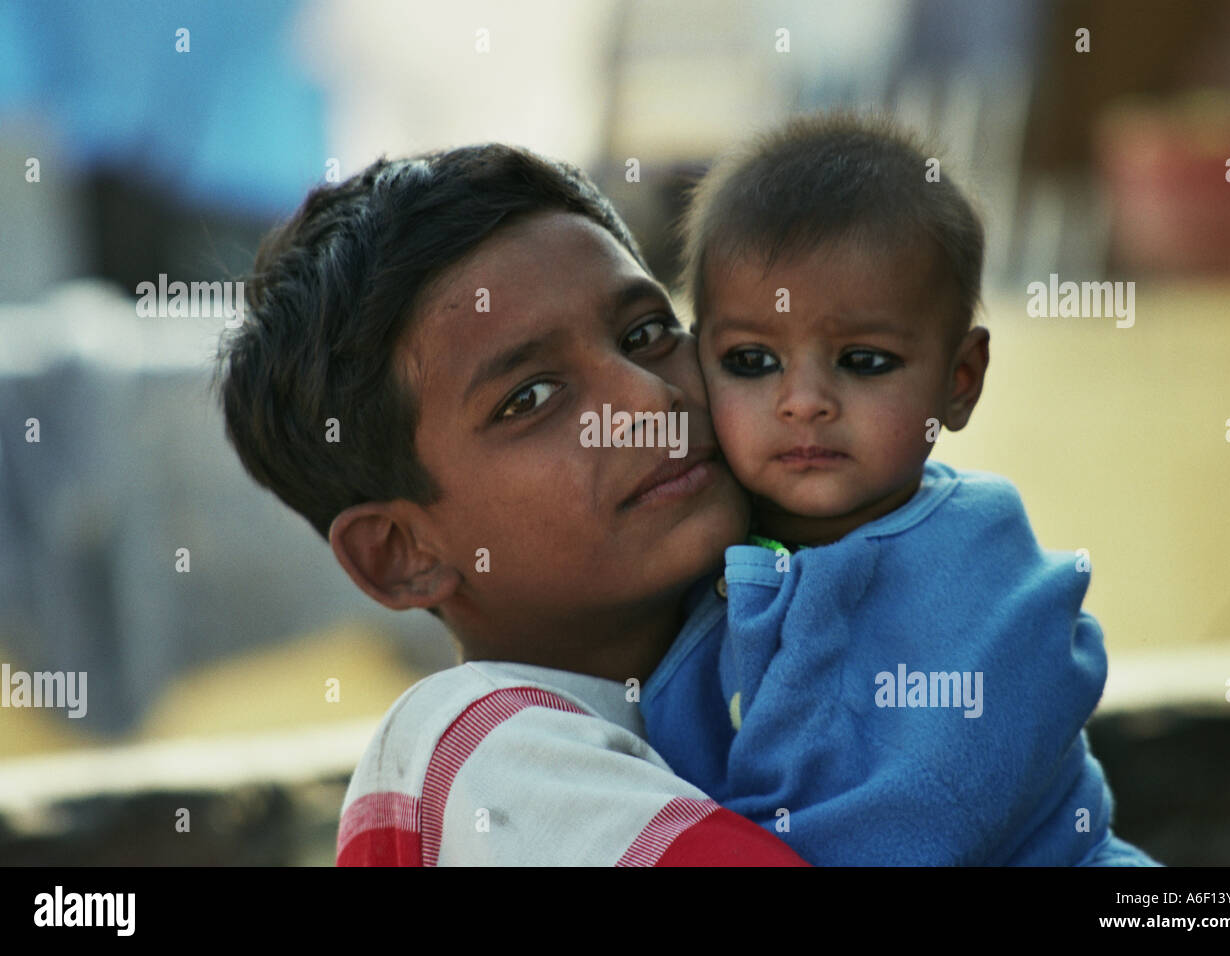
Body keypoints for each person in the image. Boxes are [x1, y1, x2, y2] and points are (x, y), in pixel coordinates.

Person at [216, 145, 807, 865]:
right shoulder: (476, 752)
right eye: (529, 398)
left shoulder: (770, 657)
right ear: (401, 554)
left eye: (646, 335)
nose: (650, 401)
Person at [639, 112, 1160, 865]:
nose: (804, 401)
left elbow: (928, 814)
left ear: (959, 381)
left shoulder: (976, 551)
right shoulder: (693, 543)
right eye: (752, 361)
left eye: (864, 361)